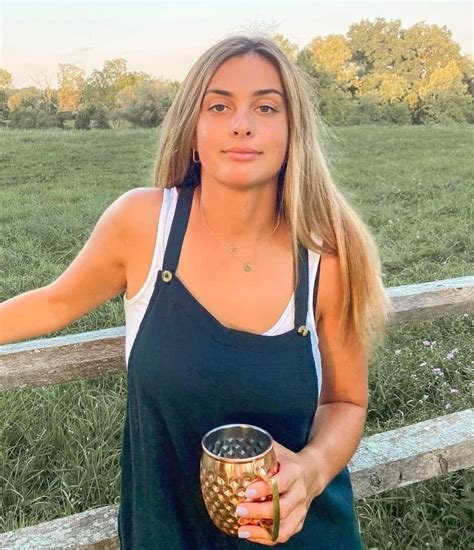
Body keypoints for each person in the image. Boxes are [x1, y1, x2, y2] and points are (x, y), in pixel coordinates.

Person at [0, 33, 392, 548]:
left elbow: (346, 401)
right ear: (192, 130)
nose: (242, 124)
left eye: (266, 107)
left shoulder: (326, 253)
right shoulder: (144, 225)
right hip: (167, 533)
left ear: (293, 132)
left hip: (301, 535)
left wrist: (312, 471)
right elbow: (54, 303)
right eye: (219, 105)